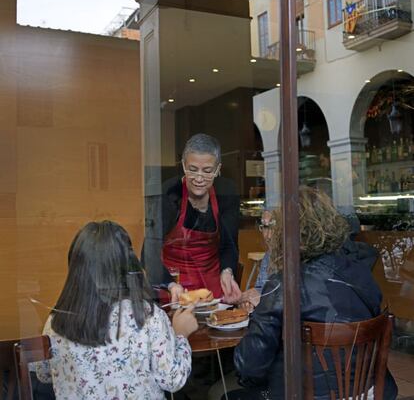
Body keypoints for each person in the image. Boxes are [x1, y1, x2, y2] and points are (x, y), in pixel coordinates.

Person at [228, 186, 398, 400]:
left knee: (230, 395)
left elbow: (249, 367)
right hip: (368, 392)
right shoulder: (361, 273)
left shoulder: (283, 285)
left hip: (302, 394)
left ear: (285, 232)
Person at [36, 220, 198, 400]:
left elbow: (43, 374)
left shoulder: (56, 320)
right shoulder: (146, 316)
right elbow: (173, 380)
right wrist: (181, 335)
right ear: (127, 266)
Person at [142, 133, 241, 303]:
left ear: (218, 169)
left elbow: (229, 244)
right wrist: (171, 285)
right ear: (183, 165)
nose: (199, 178)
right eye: (192, 170)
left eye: (208, 171)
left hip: (212, 284)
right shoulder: (168, 195)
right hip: (174, 284)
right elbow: (148, 253)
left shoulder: (227, 191)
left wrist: (227, 271)